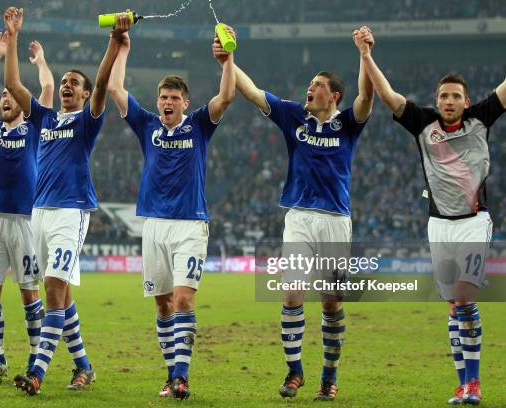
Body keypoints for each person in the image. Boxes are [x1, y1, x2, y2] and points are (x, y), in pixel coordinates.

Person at [355, 27, 505, 406]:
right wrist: (366, 54)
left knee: (464, 298)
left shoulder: (481, 117)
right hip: (438, 224)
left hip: (473, 222)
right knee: (453, 307)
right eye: (443, 96)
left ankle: (474, 384)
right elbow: (388, 97)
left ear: (466, 101)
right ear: (437, 101)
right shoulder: (424, 124)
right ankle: (462, 385)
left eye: (456, 96)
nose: (449, 101)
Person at [224, 27, 375, 401]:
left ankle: (329, 375)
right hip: (299, 217)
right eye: (309, 83)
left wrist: (364, 53)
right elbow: (252, 91)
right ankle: (294, 372)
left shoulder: (348, 124)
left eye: (317, 84)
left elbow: (367, 95)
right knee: (291, 294)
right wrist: (228, 60)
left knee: (331, 302)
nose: (309, 88)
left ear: (334, 95)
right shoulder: (294, 117)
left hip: (336, 221)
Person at [107, 16, 235, 399]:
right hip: (155, 227)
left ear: (185, 103)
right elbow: (114, 87)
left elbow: (226, 97)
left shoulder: (198, 126)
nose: (167, 102)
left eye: (174, 98)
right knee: (163, 305)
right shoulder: (147, 125)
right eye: (163, 97)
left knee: (183, 299)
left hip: (190, 226)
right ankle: (170, 373)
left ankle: (181, 376)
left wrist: (226, 62)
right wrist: (123, 47)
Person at [2, 7, 127, 395]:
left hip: (71, 213)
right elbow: (12, 82)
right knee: (63, 294)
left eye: (75, 83)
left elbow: (104, 81)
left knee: (53, 289)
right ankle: (84, 366)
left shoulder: (87, 121)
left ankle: (37, 371)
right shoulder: (44, 119)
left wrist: (113, 42)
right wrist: (13, 38)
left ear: (86, 94)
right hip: (39, 213)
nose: (68, 86)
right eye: (66, 82)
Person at [0, 31, 54, 383]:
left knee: (29, 293)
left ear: (20, 100)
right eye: (1, 95)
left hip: (23, 222)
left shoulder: (34, 128)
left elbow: (47, 91)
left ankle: (35, 358)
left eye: (9, 94)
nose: (4, 97)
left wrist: (41, 63)